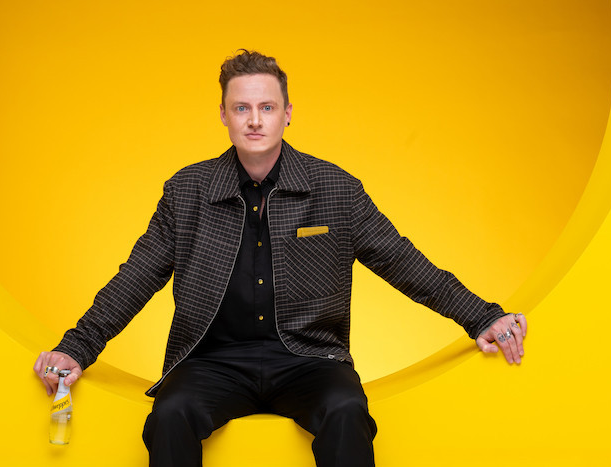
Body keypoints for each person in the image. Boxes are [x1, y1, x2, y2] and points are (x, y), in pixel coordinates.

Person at [34, 49, 527, 466]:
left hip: (309, 359)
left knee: (346, 410)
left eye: (266, 107)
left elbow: (403, 261)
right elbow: (137, 276)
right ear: (223, 114)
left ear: (288, 113)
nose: (255, 120)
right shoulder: (188, 190)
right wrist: (77, 347)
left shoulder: (335, 188)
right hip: (212, 360)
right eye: (242, 108)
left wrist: (481, 315)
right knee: (170, 413)